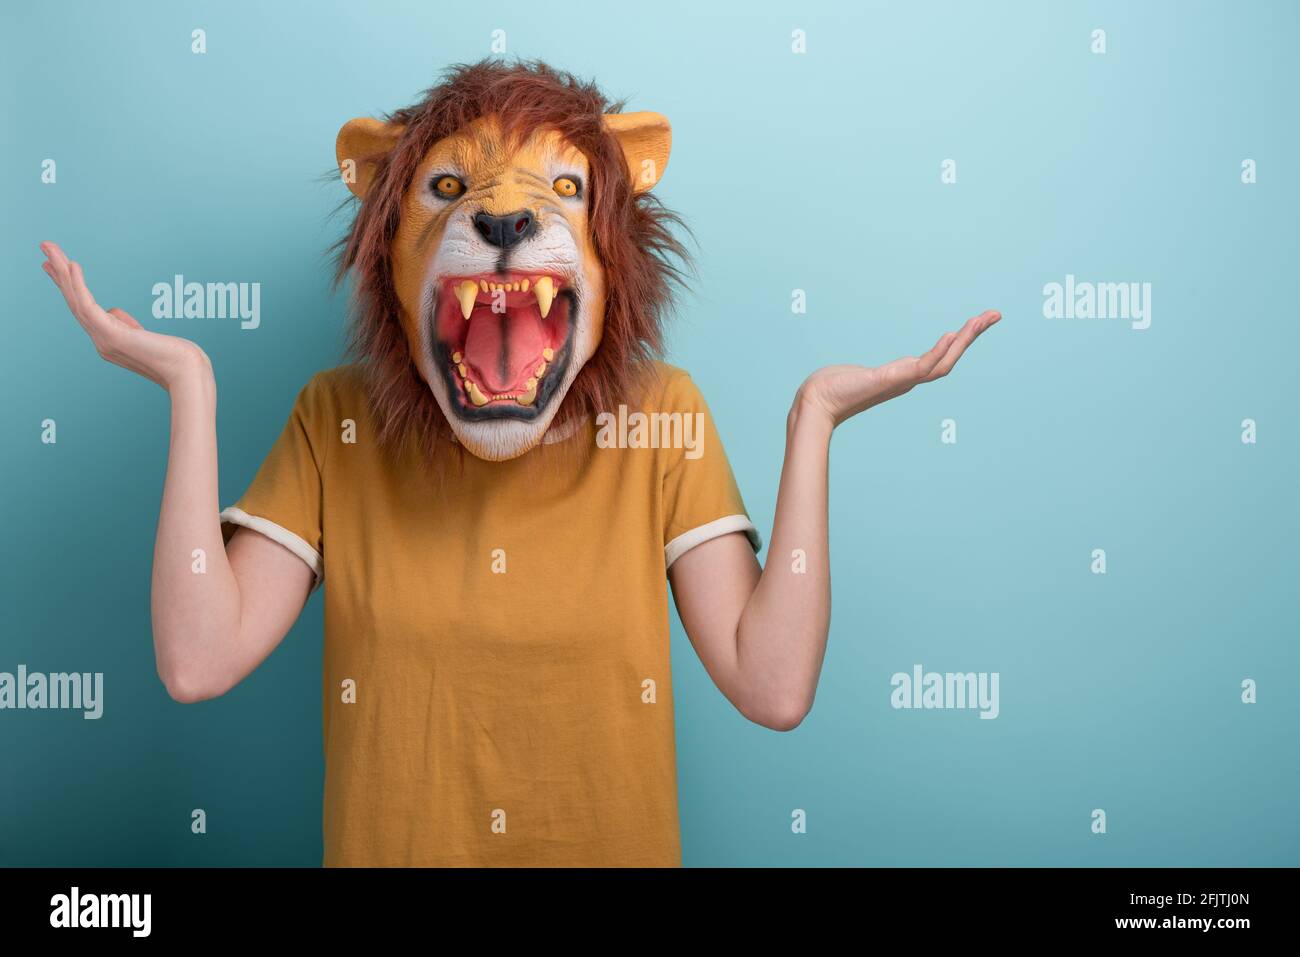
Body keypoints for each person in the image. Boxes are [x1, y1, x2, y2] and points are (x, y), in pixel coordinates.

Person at [39, 60, 1000, 866]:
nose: (504, 215)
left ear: (614, 254)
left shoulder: (661, 416)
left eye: (565, 187)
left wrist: (814, 420)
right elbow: (198, 659)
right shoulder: (336, 419)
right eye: (449, 190)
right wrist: (190, 386)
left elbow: (773, 684)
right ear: (390, 251)